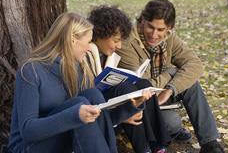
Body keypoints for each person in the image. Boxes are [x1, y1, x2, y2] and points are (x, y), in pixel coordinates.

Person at [7, 12, 149, 153]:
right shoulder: (31, 71)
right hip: (28, 146)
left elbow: (95, 125)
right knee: (79, 104)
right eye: (88, 42)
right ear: (72, 39)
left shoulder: (80, 68)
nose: (89, 48)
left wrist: (128, 109)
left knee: (92, 95)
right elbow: (28, 130)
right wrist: (75, 115)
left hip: (62, 137)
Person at [116, 0, 224, 153]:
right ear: (142, 21)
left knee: (192, 83)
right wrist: (171, 74)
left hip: (161, 93)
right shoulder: (127, 42)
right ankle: (167, 133)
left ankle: (209, 143)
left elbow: (195, 64)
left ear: (169, 28)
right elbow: (142, 84)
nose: (154, 34)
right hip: (142, 102)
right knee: (172, 124)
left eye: (160, 30)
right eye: (150, 27)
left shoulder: (169, 38)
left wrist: (171, 89)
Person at [87, 5, 172, 153]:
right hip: (97, 113)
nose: (119, 46)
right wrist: (121, 115)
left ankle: (158, 145)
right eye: (115, 40)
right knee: (126, 90)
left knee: (144, 85)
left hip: (110, 104)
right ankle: (144, 149)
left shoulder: (107, 54)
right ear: (101, 34)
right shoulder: (87, 53)